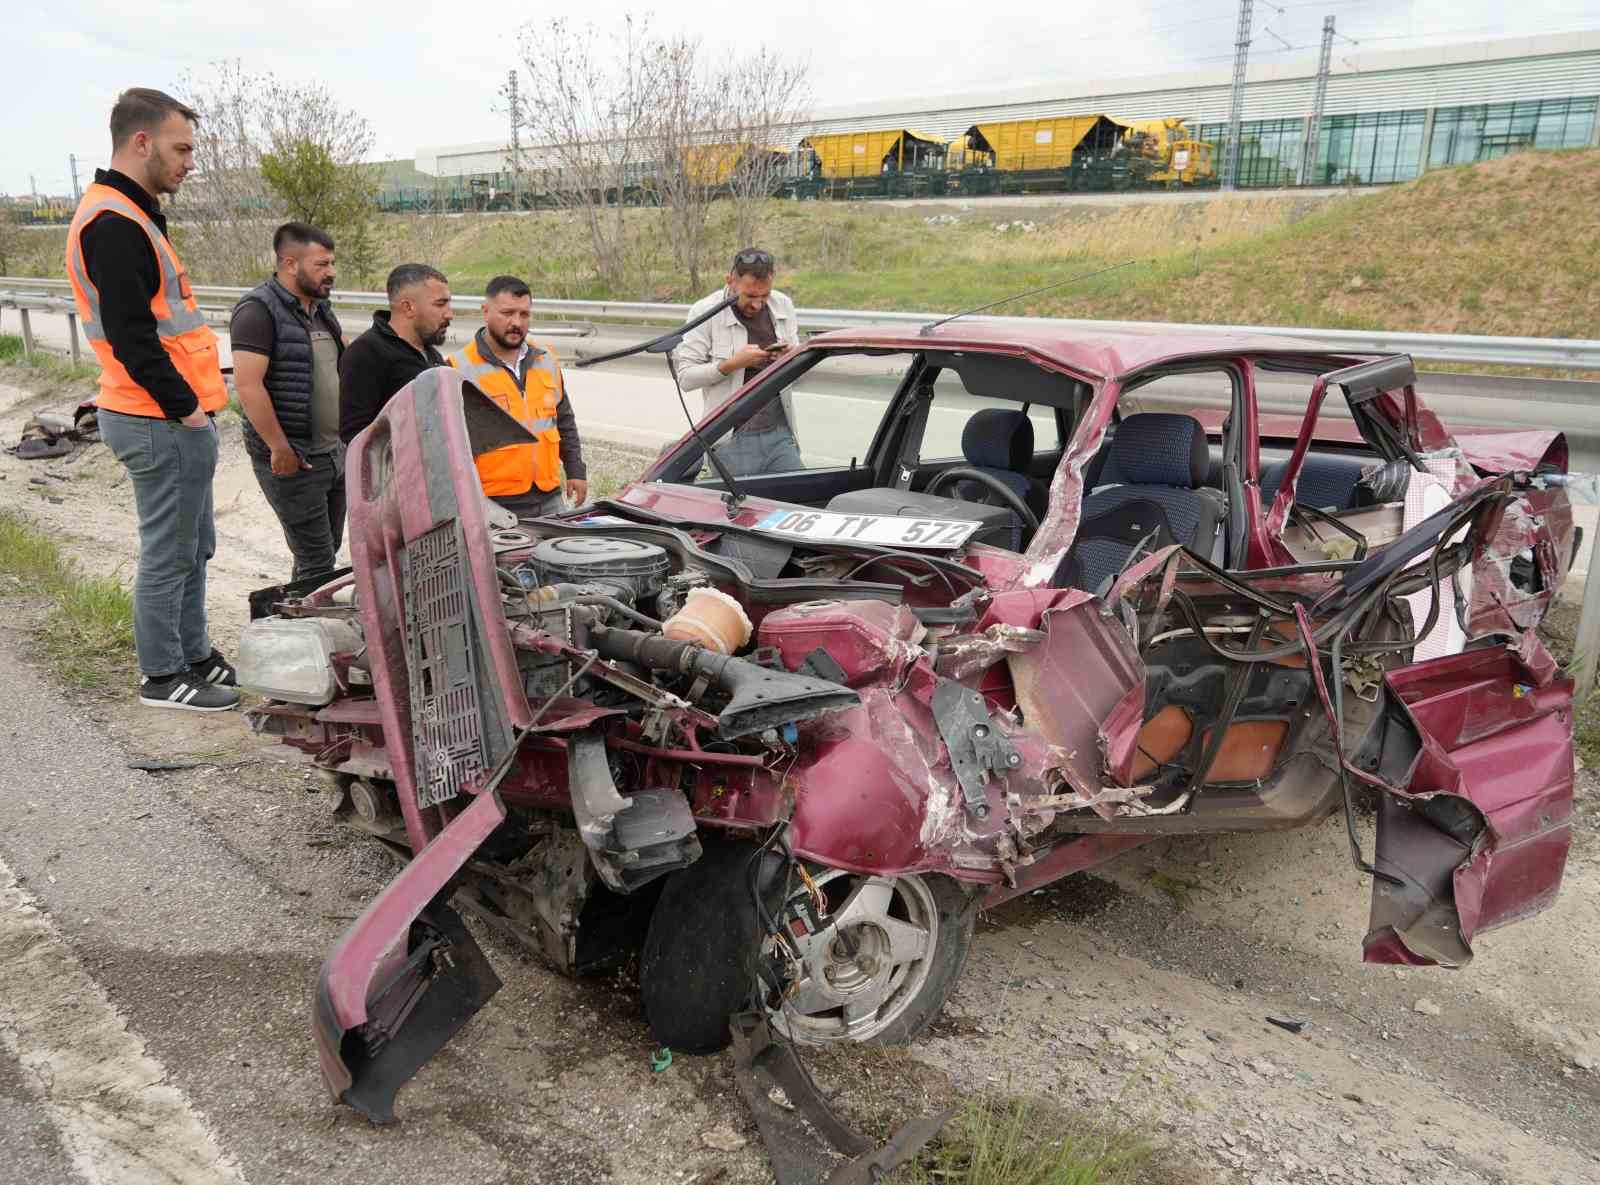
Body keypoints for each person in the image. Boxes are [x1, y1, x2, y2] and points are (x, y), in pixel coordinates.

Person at [64, 88, 237, 712]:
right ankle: (163, 677)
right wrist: (185, 409)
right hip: (156, 416)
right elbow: (136, 338)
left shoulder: (130, 214)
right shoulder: (113, 223)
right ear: (142, 142)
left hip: (167, 414)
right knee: (169, 553)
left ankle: (195, 657)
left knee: (195, 546)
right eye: (181, 148)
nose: (190, 162)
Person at [231, 223, 346, 583]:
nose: (331, 272)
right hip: (294, 458)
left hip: (332, 454)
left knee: (324, 551)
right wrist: (278, 448)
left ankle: (292, 622)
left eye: (331, 263)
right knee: (317, 560)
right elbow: (248, 386)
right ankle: (301, 632)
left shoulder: (320, 309)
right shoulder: (257, 310)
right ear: (290, 264)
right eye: (322, 264)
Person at [446, 276, 586, 519]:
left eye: (524, 314)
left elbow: (563, 420)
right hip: (491, 503)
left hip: (549, 496)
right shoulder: (458, 368)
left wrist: (575, 469)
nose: (516, 322)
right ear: (486, 312)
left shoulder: (546, 359)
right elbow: (449, 445)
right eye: (507, 313)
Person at [674, 248, 801, 476]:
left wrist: (789, 358)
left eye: (765, 296)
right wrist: (732, 364)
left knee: (802, 499)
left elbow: (798, 369)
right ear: (730, 281)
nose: (758, 304)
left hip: (780, 434)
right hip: (731, 441)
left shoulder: (783, 305)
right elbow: (686, 377)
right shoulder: (705, 311)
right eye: (750, 296)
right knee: (743, 510)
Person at [338, 263, 451, 443]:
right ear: (408, 307)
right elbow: (355, 436)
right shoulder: (366, 353)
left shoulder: (433, 356)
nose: (449, 314)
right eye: (440, 304)